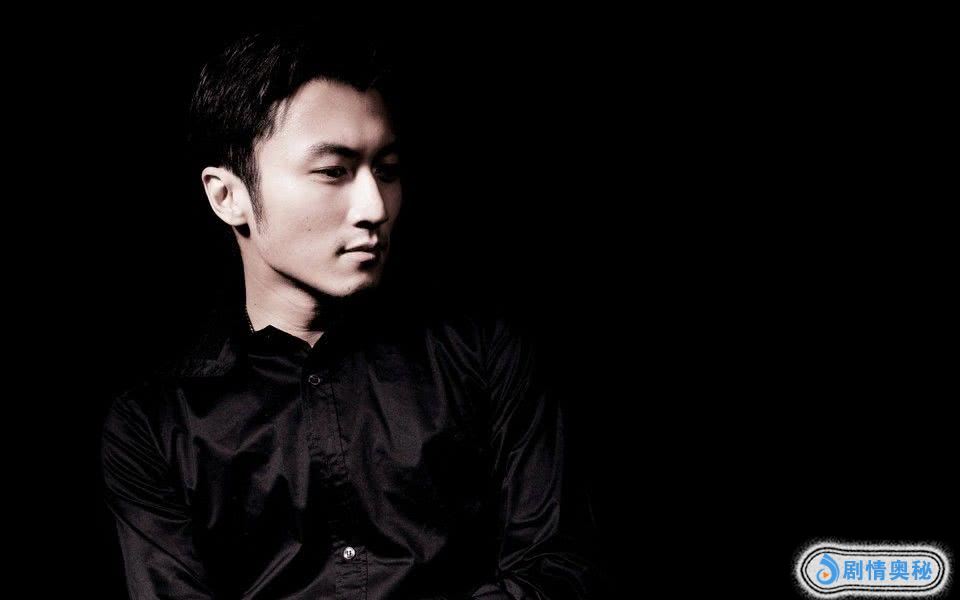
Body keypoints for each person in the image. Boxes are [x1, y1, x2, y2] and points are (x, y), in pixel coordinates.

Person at [100, 24, 608, 599]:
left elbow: (558, 568)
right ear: (228, 196)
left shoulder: (484, 353)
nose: (374, 207)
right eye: (333, 172)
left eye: (386, 170)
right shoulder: (154, 423)